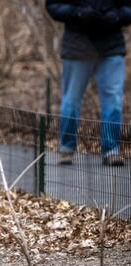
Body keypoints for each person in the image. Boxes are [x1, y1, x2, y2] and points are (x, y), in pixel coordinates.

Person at [46, 0, 131, 166]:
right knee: (71, 101)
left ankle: (112, 151)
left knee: (113, 101)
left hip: (111, 48)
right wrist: (77, 13)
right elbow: (53, 6)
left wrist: (117, 16)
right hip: (77, 48)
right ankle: (66, 148)